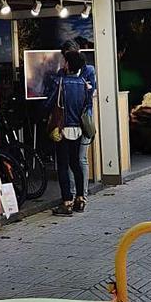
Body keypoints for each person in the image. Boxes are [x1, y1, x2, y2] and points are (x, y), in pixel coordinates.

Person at [47, 50, 93, 216]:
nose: (63, 63)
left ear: (68, 64)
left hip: (62, 129)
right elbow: (87, 106)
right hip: (78, 129)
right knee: (76, 164)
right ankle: (80, 200)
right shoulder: (83, 83)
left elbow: (49, 102)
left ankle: (67, 202)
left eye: (65, 61)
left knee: (63, 166)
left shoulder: (60, 83)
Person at [60, 40, 97, 205]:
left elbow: (89, 94)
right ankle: (77, 195)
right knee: (74, 159)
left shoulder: (88, 71)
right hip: (77, 119)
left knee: (79, 159)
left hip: (82, 119)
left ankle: (81, 194)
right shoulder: (64, 73)